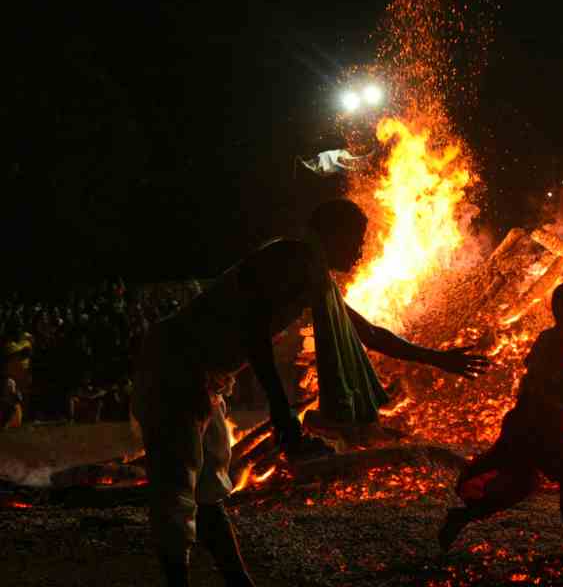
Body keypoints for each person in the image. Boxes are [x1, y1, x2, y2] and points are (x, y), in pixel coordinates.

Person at [133, 198, 491, 586]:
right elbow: (255, 332)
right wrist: (283, 410)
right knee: (177, 491)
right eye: (357, 239)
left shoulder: (311, 270)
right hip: (175, 367)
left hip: (203, 377)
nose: (360, 251)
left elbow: (368, 334)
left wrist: (437, 358)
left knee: (207, 491)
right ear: (332, 234)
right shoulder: (292, 258)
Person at [438, 282, 563, 560]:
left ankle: (463, 516)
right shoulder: (557, 345)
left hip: (524, 425)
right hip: (540, 430)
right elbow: (562, 394)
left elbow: (540, 372)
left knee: (519, 483)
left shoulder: (551, 340)